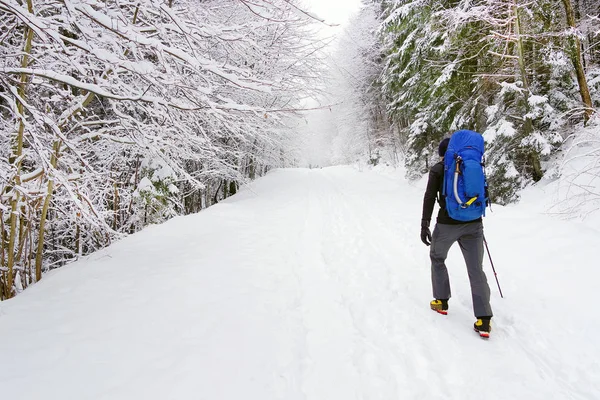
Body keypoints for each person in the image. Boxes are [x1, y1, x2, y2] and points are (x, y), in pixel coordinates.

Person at [420, 137, 493, 337]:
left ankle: (441, 301)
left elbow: (429, 197)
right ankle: (484, 320)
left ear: (443, 153)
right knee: (476, 270)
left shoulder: (438, 169)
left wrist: (424, 224)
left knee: (437, 257)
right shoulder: (472, 165)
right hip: (474, 224)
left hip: (447, 224)